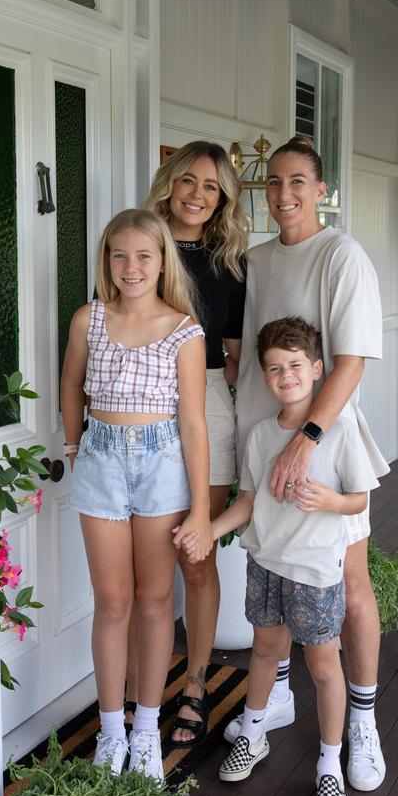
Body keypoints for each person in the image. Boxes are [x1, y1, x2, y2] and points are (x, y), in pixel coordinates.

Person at [228, 136, 390, 792]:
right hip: (268, 442)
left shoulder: (342, 257)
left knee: (349, 591)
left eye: (298, 181)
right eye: (274, 183)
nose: (284, 193)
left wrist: (308, 439)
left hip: (328, 444)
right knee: (274, 577)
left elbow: (349, 360)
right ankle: (279, 701)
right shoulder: (258, 259)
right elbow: (248, 356)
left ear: (321, 190)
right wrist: (256, 443)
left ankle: (362, 720)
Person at [181, 316, 380, 796]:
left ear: (317, 369)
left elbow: (360, 496)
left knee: (322, 667)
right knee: (266, 650)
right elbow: (248, 501)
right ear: (265, 376)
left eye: (295, 365)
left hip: (315, 572)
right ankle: (253, 732)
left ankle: (330, 764)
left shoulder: (336, 432)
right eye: (274, 368)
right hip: (265, 563)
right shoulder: (261, 436)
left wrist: (333, 500)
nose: (285, 375)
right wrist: (209, 528)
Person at [60, 208, 212, 782]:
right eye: (119, 255)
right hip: (100, 460)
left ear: (162, 261)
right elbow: (72, 383)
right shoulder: (89, 320)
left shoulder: (184, 330)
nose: (131, 267)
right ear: (107, 261)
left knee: (153, 601)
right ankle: (111, 729)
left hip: (161, 464)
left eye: (144, 256)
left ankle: (147, 728)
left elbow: (193, 423)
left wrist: (200, 506)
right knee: (112, 602)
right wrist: (77, 446)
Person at [135, 141, 249, 746]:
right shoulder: (140, 245)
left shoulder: (232, 262)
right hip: (143, 402)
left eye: (211, 186)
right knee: (148, 555)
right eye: (189, 181)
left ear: (223, 197)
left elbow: (233, 356)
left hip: (208, 399)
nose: (198, 194)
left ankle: (198, 683)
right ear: (169, 183)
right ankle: (141, 685)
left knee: (196, 555)